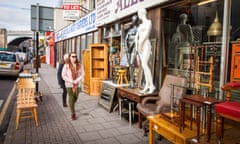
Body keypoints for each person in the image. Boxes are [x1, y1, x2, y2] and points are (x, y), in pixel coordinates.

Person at [135, 8, 155, 94]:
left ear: (142, 13)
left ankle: (152, 86)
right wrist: (137, 46)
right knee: (143, 66)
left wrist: (140, 44)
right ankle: (147, 85)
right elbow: (136, 36)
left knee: (144, 64)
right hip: (140, 47)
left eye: (138, 13)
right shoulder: (140, 25)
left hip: (146, 45)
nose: (138, 15)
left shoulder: (148, 22)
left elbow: (146, 34)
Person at [62, 52, 85, 120]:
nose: (74, 58)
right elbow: (63, 75)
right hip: (69, 84)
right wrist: (71, 81)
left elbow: (83, 73)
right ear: (69, 57)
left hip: (77, 84)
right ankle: (73, 113)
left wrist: (77, 80)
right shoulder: (66, 65)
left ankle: (70, 104)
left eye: (75, 56)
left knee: (76, 97)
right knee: (71, 97)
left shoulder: (79, 65)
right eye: (73, 56)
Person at [125, 15, 138, 88]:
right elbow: (126, 39)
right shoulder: (130, 30)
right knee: (130, 65)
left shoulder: (138, 29)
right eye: (133, 20)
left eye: (134, 20)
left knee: (132, 63)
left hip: (134, 48)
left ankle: (133, 81)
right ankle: (131, 80)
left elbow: (137, 39)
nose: (133, 21)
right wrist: (127, 48)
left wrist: (132, 45)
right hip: (128, 49)